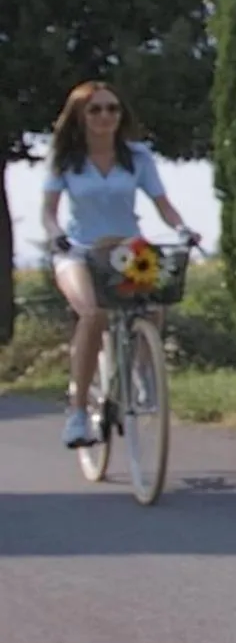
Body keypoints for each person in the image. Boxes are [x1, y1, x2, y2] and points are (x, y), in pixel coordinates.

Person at [38, 80, 199, 448]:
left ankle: (142, 371)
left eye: (112, 108)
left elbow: (163, 204)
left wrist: (183, 228)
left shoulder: (137, 156)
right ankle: (77, 413)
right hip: (79, 250)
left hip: (127, 249)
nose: (105, 116)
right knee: (92, 314)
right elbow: (48, 212)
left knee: (155, 303)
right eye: (95, 109)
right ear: (79, 116)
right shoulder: (65, 158)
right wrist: (55, 234)